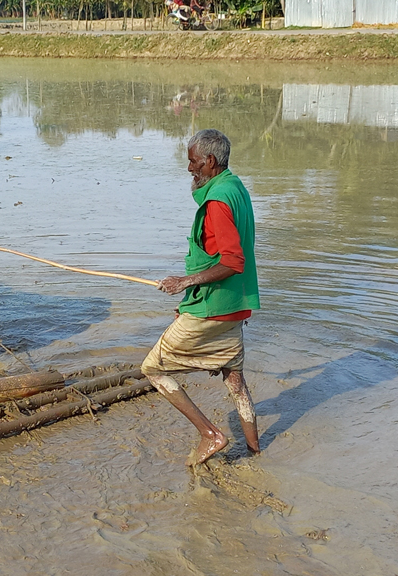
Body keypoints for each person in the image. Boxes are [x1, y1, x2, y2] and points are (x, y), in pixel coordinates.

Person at [142, 128, 261, 467]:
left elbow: (232, 260)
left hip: (213, 307)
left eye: (193, 162)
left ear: (210, 161)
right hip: (236, 305)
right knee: (234, 380)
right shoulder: (235, 187)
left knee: (153, 369)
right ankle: (255, 452)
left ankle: (211, 435)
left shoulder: (217, 203)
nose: (190, 168)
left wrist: (184, 282)